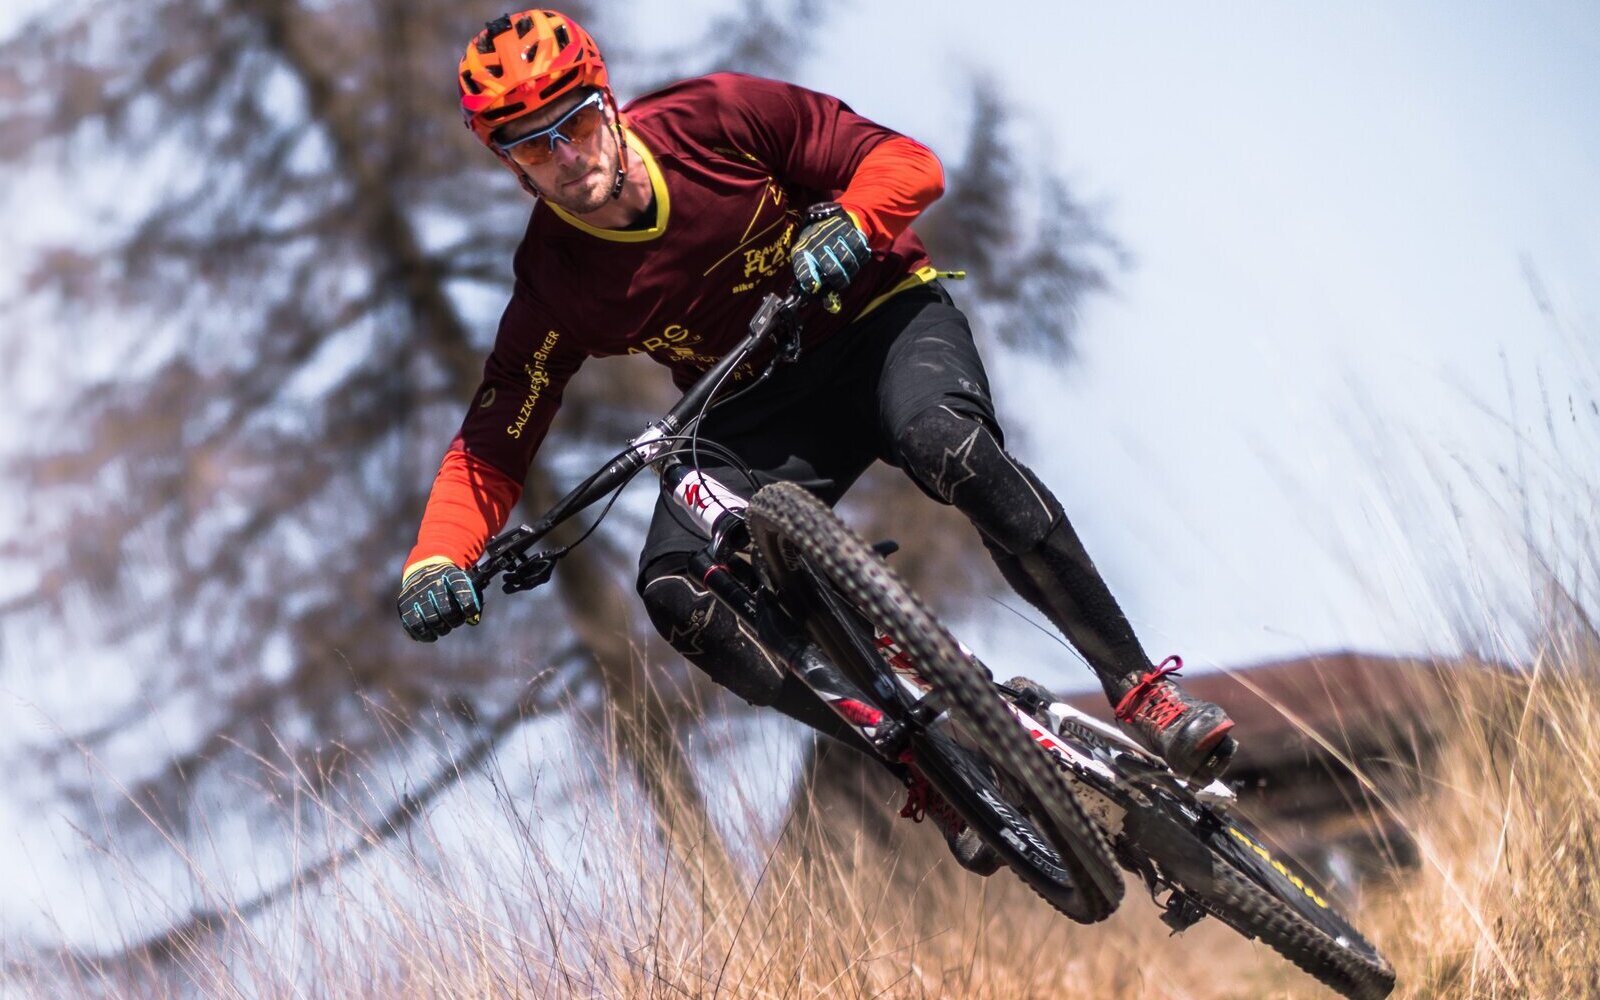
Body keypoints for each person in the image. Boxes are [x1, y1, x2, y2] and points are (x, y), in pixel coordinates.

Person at [398, 9, 1236, 874]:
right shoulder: (555, 278)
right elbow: (496, 437)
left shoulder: (719, 116)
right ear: (509, 165)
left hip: (880, 323)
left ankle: (1143, 692)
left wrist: (854, 220)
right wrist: (438, 558)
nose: (568, 160)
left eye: (573, 125)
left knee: (944, 441)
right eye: (535, 149)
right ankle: (928, 767)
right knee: (679, 590)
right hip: (755, 406)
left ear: (606, 104)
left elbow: (906, 162)